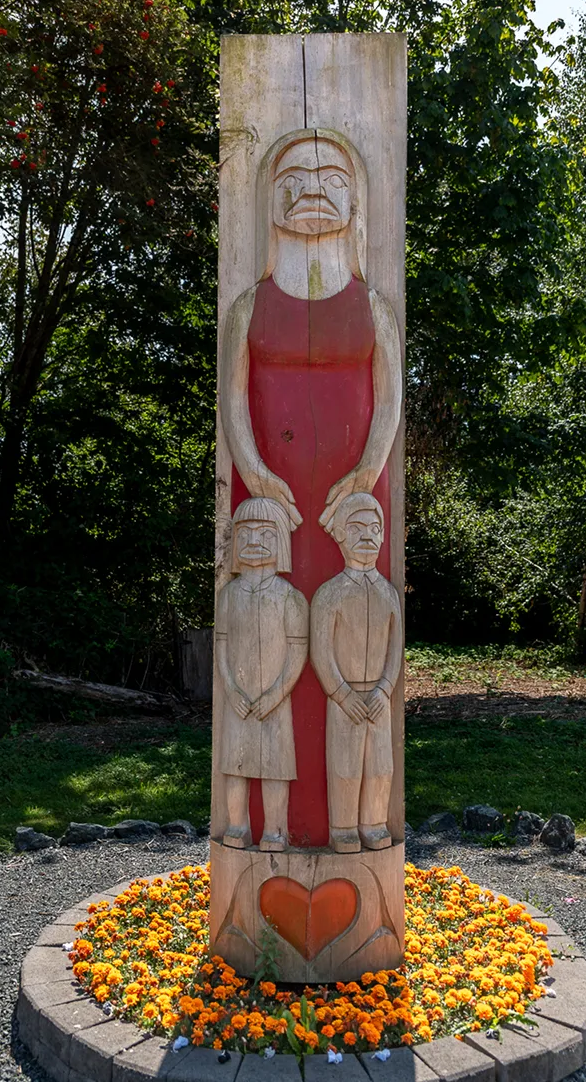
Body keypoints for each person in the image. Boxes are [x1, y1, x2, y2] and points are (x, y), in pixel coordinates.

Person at [218, 129, 402, 847]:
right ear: (268, 199)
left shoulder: (374, 306)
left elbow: (387, 398)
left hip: (352, 486)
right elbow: (234, 398)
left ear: (358, 199)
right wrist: (255, 472)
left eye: (333, 176)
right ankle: (263, 830)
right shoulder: (249, 307)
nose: (315, 189)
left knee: (350, 609)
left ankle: (354, 827)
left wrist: (369, 468)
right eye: (295, 175)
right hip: (270, 488)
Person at [309, 493, 402, 853]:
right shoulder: (330, 593)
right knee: (345, 767)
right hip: (344, 696)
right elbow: (321, 651)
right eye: (357, 528)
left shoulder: (389, 594)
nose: (367, 536)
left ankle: (374, 822)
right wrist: (340, 693)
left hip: (379, 695)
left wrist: (385, 689)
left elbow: (395, 648)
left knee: (381, 767)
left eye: (375, 528)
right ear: (340, 537)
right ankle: (344, 827)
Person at [215, 497, 308, 851]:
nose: (254, 542)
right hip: (238, 695)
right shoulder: (228, 595)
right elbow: (221, 647)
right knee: (235, 764)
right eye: (246, 533)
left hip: (274, 697)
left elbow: (297, 652)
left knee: (274, 767)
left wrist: (277, 693)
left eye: (265, 534)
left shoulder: (290, 597)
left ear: (281, 540)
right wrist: (231, 688)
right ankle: (237, 826)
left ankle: (274, 830)